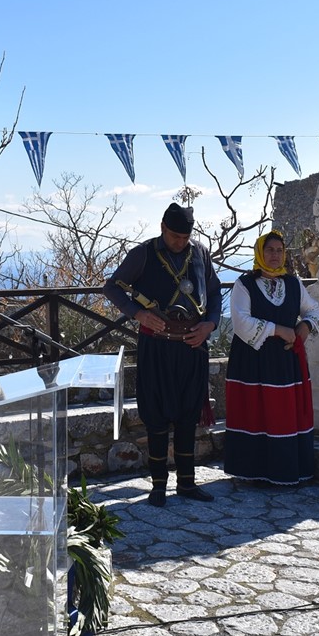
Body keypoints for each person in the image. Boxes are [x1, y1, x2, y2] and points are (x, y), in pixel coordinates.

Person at [104, 203, 221, 507]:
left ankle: (187, 483)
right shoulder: (143, 253)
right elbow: (112, 287)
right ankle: (158, 486)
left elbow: (215, 291)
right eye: (174, 236)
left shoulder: (200, 253)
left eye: (185, 236)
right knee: (156, 417)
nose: (180, 242)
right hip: (156, 345)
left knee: (187, 416)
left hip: (192, 346)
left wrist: (209, 325)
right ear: (162, 228)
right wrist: (137, 313)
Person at [224, 231, 319, 485]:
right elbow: (241, 322)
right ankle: (255, 471)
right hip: (253, 362)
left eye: (279, 250)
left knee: (283, 414)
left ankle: (287, 470)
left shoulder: (292, 283)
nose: (275, 255)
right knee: (258, 413)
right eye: (270, 250)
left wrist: (305, 327)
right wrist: (278, 330)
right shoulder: (244, 285)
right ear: (260, 253)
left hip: (286, 362)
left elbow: (313, 309)